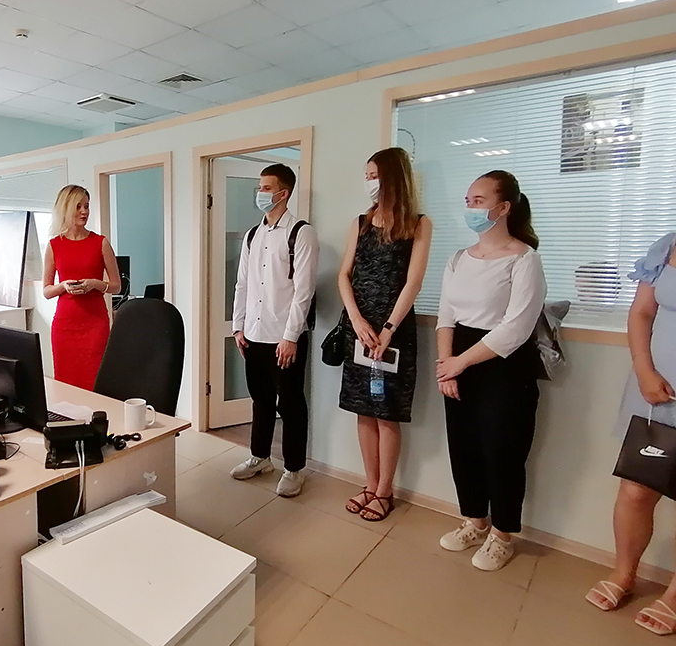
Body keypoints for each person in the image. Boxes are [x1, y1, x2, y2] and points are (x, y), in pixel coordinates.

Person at [435, 170, 546, 571]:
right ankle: (475, 521)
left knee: (503, 449)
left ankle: (502, 535)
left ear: (504, 207)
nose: (471, 208)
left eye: (479, 201)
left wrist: (460, 363)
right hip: (457, 359)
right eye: (468, 201)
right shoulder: (457, 259)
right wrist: (447, 367)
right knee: (463, 445)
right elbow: (446, 317)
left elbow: (516, 328)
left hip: (503, 364)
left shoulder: (524, 259)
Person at [585, 232, 676, 636]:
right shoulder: (667, 246)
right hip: (654, 391)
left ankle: (674, 595)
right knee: (636, 491)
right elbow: (641, 313)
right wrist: (644, 370)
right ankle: (624, 574)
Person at [337, 148, 432, 522]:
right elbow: (344, 275)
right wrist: (357, 321)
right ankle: (369, 483)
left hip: (393, 334)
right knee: (363, 409)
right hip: (359, 331)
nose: (369, 183)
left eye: (374, 175)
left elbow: (413, 282)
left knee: (386, 412)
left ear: (393, 177)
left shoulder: (418, 224)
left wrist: (388, 328)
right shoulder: (361, 222)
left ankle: (384, 491)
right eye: (367, 176)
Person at [229, 164, 318, 498]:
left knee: (291, 403)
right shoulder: (253, 235)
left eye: (267, 188)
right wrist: (238, 327)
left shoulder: (301, 233)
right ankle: (260, 457)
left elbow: (303, 291)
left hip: (285, 337)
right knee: (261, 399)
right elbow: (242, 284)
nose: (260, 194)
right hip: (253, 334)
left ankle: (294, 469)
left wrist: (291, 336)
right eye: (260, 187)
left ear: (284, 193)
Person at [42, 185, 122, 390]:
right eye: (78, 206)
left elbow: (116, 286)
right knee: (65, 384)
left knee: (95, 381)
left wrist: (95, 284)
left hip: (95, 325)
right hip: (64, 326)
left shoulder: (100, 243)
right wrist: (63, 286)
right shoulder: (54, 245)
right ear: (66, 208)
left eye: (86, 206)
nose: (84, 211)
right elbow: (47, 291)